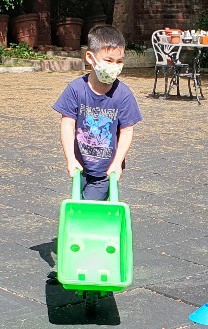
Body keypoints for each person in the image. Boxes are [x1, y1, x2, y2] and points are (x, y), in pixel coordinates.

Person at [53, 24, 142, 202]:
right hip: (80, 166)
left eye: (119, 61)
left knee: (89, 206)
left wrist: (117, 162)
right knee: (79, 205)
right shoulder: (76, 90)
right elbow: (67, 124)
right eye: (108, 60)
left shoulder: (123, 95)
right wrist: (70, 159)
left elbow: (127, 130)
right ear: (90, 58)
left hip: (105, 172)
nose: (114, 66)